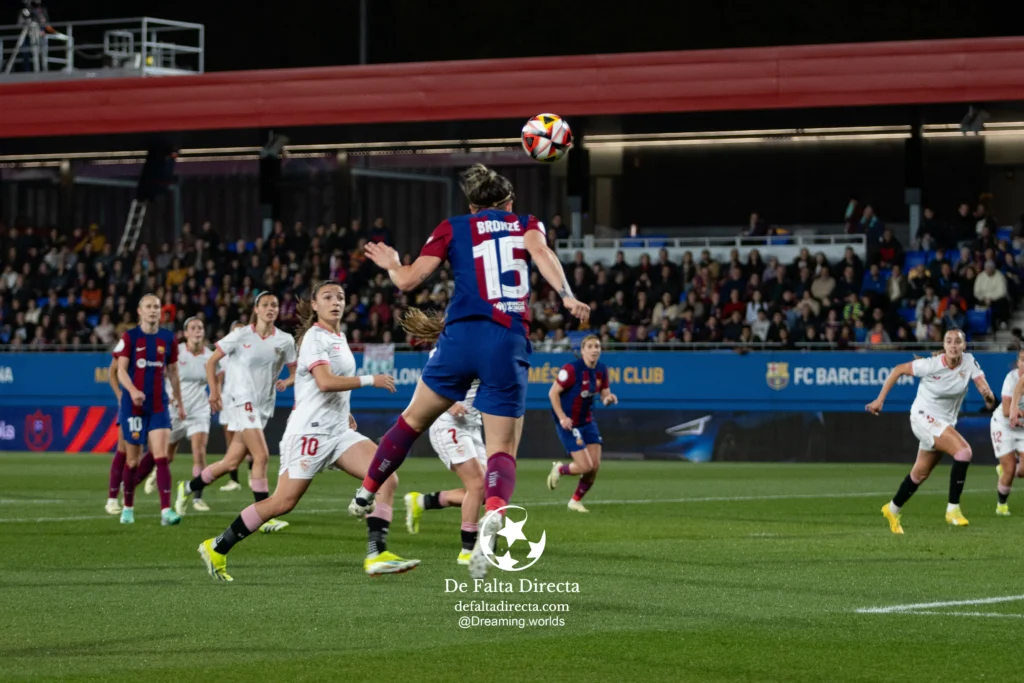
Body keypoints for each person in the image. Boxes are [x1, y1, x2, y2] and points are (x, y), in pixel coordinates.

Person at [346, 164, 590, 580]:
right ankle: (492, 515)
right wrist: (566, 296)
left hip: (458, 340)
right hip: (506, 339)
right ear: (509, 202)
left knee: (410, 421)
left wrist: (391, 262)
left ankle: (367, 490)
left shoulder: (452, 226)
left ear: (473, 205)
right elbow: (542, 254)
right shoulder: (525, 223)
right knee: (501, 450)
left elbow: (406, 282)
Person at [197, 281, 410, 581]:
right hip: (308, 434)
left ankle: (377, 554)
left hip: (337, 431)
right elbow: (324, 381)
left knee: (385, 475)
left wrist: (343, 410)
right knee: (282, 502)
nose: (335, 301)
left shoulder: (339, 336)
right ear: (314, 305)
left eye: (340, 296)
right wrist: (369, 379)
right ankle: (217, 545)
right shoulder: (314, 338)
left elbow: (324, 385)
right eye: (328, 297)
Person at [174, 293, 296, 532]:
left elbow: (295, 371)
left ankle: (187, 488)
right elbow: (212, 362)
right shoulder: (241, 335)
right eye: (266, 305)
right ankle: (263, 515)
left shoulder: (285, 340)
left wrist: (287, 382)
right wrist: (214, 392)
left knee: (231, 462)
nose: (271, 308)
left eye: (274, 305)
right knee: (260, 456)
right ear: (256, 309)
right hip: (241, 402)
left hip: (263, 405)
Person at [867, 329, 996, 533]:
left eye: (958, 341)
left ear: (964, 346)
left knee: (920, 474)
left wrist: (988, 396)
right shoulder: (930, 365)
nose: (953, 345)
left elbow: (988, 398)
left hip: (943, 423)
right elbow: (899, 369)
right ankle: (953, 509)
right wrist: (879, 400)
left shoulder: (969, 362)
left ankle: (892, 509)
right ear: (944, 345)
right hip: (921, 416)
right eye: (949, 341)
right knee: (964, 452)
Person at [403, 312, 487, 566]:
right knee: (477, 484)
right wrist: (449, 405)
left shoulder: (481, 346)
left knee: (484, 491)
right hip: (448, 424)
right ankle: (467, 549)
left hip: (472, 426)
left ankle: (423, 501)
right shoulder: (443, 352)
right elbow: (427, 388)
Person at [112, 294, 186, 526]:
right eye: (149, 307)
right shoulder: (130, 337)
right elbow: (121, 371)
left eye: (156, 307)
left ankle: (166, 511)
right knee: (132, 461)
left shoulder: (168, 338)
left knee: (160, 457)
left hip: (158, 406)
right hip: (133, 407)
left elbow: (173, 372)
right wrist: (132, 391)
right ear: (140, 311)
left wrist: (179, 400)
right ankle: (128, 507)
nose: (153, 310)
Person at [546, 335, 618, 512]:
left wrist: (608, 398)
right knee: (585, 466)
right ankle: (560, 469)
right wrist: (562, 417)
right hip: (569, 424)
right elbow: (552, 393)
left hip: (587, 420)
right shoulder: (571, 369)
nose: (595, 350)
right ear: (583, 350)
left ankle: (575, 500)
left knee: (594, 466)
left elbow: (604, 394)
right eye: (591, 346)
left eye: (598, 346)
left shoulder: (601, 370)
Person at [164, 317, 214, 512]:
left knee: (199, 453)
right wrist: (167, 396)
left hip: (199, 409)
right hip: (175, 409)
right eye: (193, 328)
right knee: (166, 456)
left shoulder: (210, 356)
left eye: (200, 327)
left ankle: (196, 497)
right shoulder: (176, 352)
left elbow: (218, 377)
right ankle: (150, 474)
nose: (197, 330)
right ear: (185, 333)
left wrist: (216, 395)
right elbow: (162, 373)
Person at [104, 345, 154, 515]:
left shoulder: (160, 340)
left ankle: (128, 485)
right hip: (130, 405)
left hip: (152, 404)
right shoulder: (128, 340)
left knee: (157, 453)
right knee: (123, 450)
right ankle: (112, 499)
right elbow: (113, 372)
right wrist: (120, 395)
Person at [217, 321, 250, 492]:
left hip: (245, 401)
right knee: (230, 443)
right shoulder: (224, 355)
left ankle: (253, 475)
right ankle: (234, 480)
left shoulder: (251, 353)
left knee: (251, 440)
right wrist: (216, 394)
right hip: (228, 402)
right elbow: (220, 377)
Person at [991, 348, 1024, 516]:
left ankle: (1004, 471)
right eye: (1022, 360)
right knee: (1010, 467)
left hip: (1022, 428)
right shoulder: (1011, 379)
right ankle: (1001, 505)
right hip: (1004, 425)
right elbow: (1006, 411)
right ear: (1018, 362)